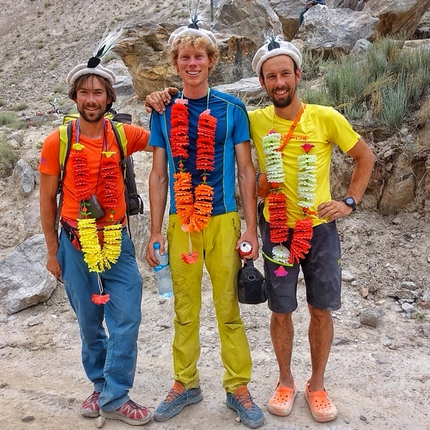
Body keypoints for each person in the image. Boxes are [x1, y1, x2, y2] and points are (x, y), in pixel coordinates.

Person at [144, 20, 264, 430]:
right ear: (176, 64)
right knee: (184, 310)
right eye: (184, 57)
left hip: (225, 221)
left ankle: (238, 387)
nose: (192, 63)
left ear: (211, 62)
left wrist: (251, 228)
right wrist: (155, 230)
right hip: (181, 223)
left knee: (229, 308)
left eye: (199, 56)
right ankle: (185, 382)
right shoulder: (163, 111)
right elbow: (158, 175)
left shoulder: (232, 109)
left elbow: (246, 172)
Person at [249, 37, 375, 423]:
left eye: (285, 73)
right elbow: (213, 112)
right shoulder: (253, 120)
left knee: (321, 310)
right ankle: (285, 380)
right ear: (263, 83)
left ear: (298, 75)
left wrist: (348, 202)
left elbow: (364, 157)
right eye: (271, 76)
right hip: (277, 231)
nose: (279, 82)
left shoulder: (326, 117)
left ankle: (316, 385)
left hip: (320, 231)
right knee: (281, 309)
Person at [39, 46, 153, 426]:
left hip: (117, 241)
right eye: (84, 93)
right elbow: (47, 201)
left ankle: (115, 395)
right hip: (74, 242)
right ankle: (100, 385)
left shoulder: (124, 135)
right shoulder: (58, 141)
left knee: (127, 316)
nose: (91, 99)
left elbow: (164, 138)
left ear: (109, 98)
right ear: (75, 97)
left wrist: (164, 99)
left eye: (98, 92)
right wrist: (52, 253)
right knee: (90, 321)